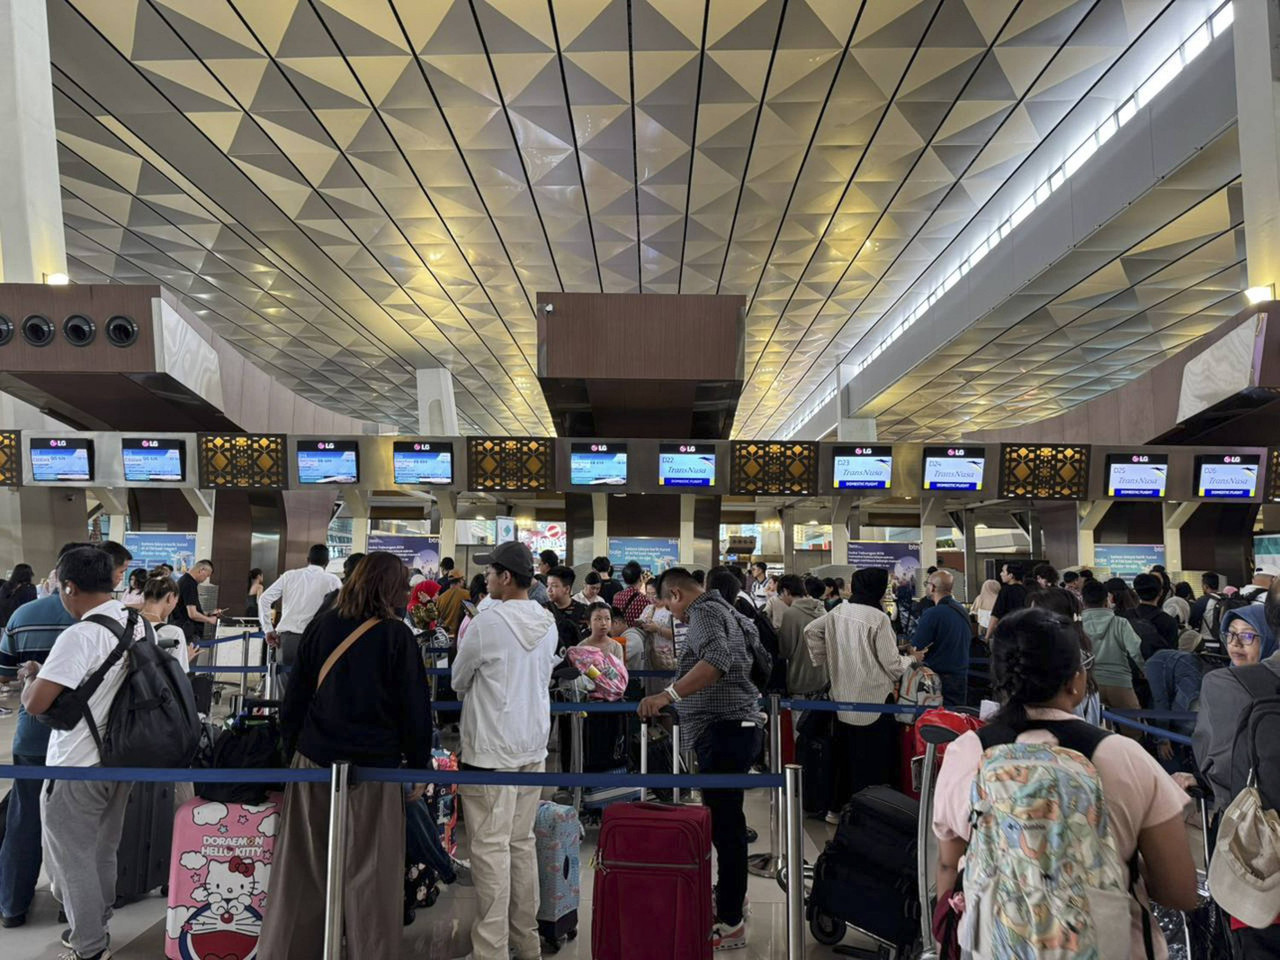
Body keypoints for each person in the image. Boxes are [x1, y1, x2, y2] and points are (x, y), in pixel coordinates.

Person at [932, 608, 1198, 959]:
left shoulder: (966, 752)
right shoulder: (1122, 755)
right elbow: (1179, 891)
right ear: (1076, 681)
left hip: (1000, 946)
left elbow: (950, 865)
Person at [257, 552, 432, 960]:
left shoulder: (323, 625)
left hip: (315, 761)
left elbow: (295, 696)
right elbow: (414, 708)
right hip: (376, 769)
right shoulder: (396, 635)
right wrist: (420, 764)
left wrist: (293, 751)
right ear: (392, 588)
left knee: (304, 865)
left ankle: (294, 949)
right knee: (372, 871)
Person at [21, 546, 153, 960]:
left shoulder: (80, 634)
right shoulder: (137, 623)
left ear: (68, 586)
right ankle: (96, 924)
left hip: (77, 765)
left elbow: (36, 704)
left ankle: (89, 945)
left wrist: (33, 677)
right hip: (122, 758)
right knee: (102, 850)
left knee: (69, 858)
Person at [638, 568, 764, 952]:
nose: (672, 617)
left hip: (725, 729)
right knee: (728, 823)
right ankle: (733, 898)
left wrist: (668, 696)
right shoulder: (728, 609)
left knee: (726, 826)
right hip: (737, 727)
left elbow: (716, 661)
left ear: (676, 594)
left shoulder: (704, 613)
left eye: (668, 606)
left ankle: (730, 923)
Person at [452, 541, 559, 960]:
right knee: (520, 842)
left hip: (491, 749)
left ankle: (490, 951)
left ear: (506, 578)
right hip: (532, 746)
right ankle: (525, 940)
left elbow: (460, 679)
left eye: (491, 572)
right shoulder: (547, 622)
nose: (486, 579)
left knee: (490, 850)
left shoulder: (486, 623)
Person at [0, 542, 84, 928]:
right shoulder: (100, 621)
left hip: (32, 738)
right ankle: (72, 908)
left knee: (24, 821)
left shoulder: (24, 615)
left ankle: (12, 906)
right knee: (78, 828)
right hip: (82, 743)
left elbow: (3, 672)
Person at [805, 567, 905, 823]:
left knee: (843, 758)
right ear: (879, 588)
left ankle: (837, 810)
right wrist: (911, 661)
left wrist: (828, 659)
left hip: (841, 698)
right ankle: (870, 814)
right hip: (875, 701)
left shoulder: (840, 610)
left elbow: (811, 631)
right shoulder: (879, 618)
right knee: (872, 761)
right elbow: (893, 667)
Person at [1192, 600, 1278, 813]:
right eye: (1230, 634)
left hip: (1250, 815)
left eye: (1248, 635)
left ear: (1270, 636)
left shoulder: (1221, 686)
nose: (1235, 643)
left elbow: (1216, 763)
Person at [258, 544, 342, 696]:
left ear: (308, 559)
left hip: (287, 641)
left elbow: (264, 599)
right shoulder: (333, 581)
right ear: (327, 562)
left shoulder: (290, 576)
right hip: (318, 640)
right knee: (314, 686)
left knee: (286, 688)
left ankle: (285, 717)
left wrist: (268, 629)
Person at [1080, 578, 1145, 715]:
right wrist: (1144, 671)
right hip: (1120, 682)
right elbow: (1136, 651)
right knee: (1132, 729)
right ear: (1106, 600)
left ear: (1083, 601)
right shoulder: (1121, 623)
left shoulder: (1077, 626)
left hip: (1088, 684)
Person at [907, 570, 971, 706]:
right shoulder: (961, 610)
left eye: (927, 584)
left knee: (937, 724)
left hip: (939, 680)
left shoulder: (933, 614)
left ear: (933, 587)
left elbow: (917, 648)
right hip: (961, 677)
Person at [777, 575, 828, 701]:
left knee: (800, 719)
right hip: (822, 678)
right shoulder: (821, 609)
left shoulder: (791, 613)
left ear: (786, 591)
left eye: (780, 594)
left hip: (800, 679)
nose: (781, 599)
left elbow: (785, 650)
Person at [139, 574, 194, 670]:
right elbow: (177, 677)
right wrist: (186, 659)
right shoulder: (174, 633)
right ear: (170, 597)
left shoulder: (125, 623)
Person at [170, 559, 221, 646]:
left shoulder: (185, 580)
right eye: (207, 576)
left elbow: (187, 609)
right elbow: (192, 614)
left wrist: (208, 613)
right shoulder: (189, 584)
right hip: (187, 633)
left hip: (183, 630)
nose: (205, 579)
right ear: (201, 570)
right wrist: (210, 620)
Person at [1131, 572, 1178, 658]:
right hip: (1156, 669)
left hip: (1129, 669)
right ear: (1161, 592)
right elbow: (1172, 655)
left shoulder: (1125, 617)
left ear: (1137, 593)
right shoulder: (1169, 621)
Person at [545, 565, 589, 644]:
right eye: (547, 585)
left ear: (567, 589)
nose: (549, 590)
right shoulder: (542, 610)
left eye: (554, 586)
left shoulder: (584, 611)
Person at [985, 560, 1028, 640]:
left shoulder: (1005, 591)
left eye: (1003, 571)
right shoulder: (1026, 590)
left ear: (1011, 575)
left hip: (1008, 634)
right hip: (1024, 634)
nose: (1001, 574)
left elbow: (996, 615)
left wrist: (987, 637)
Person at [611, 560, 649, 625]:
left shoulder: (616, 596)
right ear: (640, 577)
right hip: (636, 634)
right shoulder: (645, 599)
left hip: (620, 633)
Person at [436, 571, 470, 636]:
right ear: (460, 580)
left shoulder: (440, 598)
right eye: (463, 579)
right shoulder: (467, 594)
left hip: (446, 635)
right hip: (461, 634)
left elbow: (437, 617)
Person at [1190, 571, 1222, 636]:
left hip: (1207, 640)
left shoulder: (1202, 601)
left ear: (1205, 586)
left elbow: (1193, 621)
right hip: (1223, 642)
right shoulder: (1224, 599)